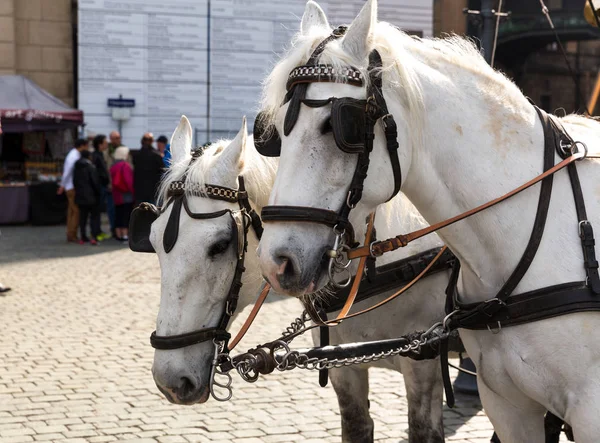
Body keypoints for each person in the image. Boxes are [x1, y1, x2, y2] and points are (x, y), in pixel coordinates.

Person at [57, 139, 89, 242]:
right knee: (75, 212)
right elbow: (67, 172)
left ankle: (70, 233)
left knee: (71, 211)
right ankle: (72, 234)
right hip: (71, 187)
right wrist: (62, 185)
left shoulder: (73, 154)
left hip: (69, 186)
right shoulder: (74, 156)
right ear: (83, 146)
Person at [73, 150, 101, 245]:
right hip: (91, 196)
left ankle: (83, 236)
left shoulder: (76, 167)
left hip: (80, 196)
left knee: (82, 217)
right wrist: (98, 193)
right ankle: (94, 237)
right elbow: (95, 182)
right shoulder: (90, 167)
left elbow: (74, 181)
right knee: (94, 217)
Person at [110, 147, 134, 243]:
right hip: (126, 194)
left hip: (116, 194)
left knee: (118, 214)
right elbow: (129, 182)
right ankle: (125, 235)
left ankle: (118, 234)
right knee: (126, 214)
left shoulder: (113, 166)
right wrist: (133, 192)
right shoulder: (125, 166)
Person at [132, 132, 164, 205]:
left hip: (139, 191)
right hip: (153, 190)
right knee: (153, 213)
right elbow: (162, 171)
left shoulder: (136, 155)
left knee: (140, 213)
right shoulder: (157, 155)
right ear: (152, 141)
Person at [91, 134, 111, 241]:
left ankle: (98, 231)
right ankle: (95, 233)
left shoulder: (100, 155)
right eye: (105, 142)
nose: (107, 144)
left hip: (101, 186)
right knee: (96, 211)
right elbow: (98, 173)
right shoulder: (96, 156)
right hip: (98, 187)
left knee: (98, 210)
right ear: (100, 144)